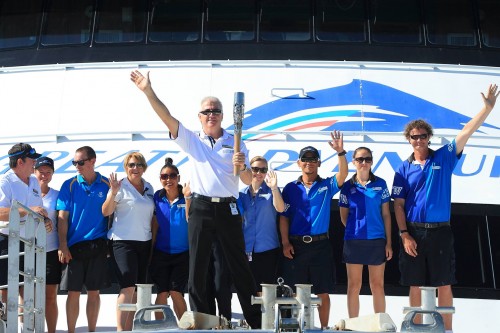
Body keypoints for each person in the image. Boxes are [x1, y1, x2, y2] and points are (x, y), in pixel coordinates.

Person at [131, 70, 262, 328]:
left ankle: (257, 322)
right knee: (197, 270)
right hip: (201, 207)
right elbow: (167, 118)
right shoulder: (193, 140)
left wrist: (243, 165)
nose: (211, 115)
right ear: (200, 117)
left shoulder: (236, 142)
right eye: (206, 111)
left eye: (215, 111)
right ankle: (205, 321)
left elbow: (247, 180)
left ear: (223, 115)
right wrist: (148, 91)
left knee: (239, 268)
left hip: (229, 209)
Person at [391, 84, 499, 332]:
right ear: (408, 140)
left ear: (429, 137)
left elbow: (467, 132)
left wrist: (487, 109)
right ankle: (415, 327)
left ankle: (447, 330)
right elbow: (398, 205)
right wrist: (404, 234)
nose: (418, 140)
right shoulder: (402, 170)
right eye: (414, 137)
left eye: (422, 136)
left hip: (440, 232)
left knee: (444, 283)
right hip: (413, 233)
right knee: (414, 283)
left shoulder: (444, 157)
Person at [279, 133, 348, 329]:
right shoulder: (290, 188)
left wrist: (340, 152)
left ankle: (324, 328)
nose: (309, 162)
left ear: (318, 163)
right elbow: (284, 217)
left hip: (320, 245)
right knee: (291, 291)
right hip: (295, 246)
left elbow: (342, 175)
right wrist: (285, 242)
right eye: (305, 159)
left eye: (313, 159)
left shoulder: (326, 185)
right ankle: (292, 326)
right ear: (299, 163)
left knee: (323, 291)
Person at [57, 146, 111, 333]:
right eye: (74, 162)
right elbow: (62, 217)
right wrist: (63, 245)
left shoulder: (106, 184)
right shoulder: (69, 185)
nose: (76, 166)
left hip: (98, 244)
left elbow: (114, 214)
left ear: (92, 161)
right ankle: (71, 331)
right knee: (73, 293)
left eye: (80, 162)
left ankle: (92, 331)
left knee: (94, 293)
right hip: (73, 246)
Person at [102, 152, 155, 331]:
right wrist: (113, 193)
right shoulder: (120, 186)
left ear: (144, 168)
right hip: (122, 242)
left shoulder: (149, 187)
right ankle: (120, 329)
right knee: (127, 287)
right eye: (131, 165)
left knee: (138, 291)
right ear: (126, 168)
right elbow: (106, 211)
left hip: (144, 243)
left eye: (139, 165)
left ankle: (130, 328)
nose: (135, 168)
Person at [0, 143, 52, 323]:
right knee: (5, 287)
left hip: (30, 242)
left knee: (29, 286)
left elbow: (38, 209)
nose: (35, 163)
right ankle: (4, 323)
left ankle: (27, 325)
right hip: (6, 240)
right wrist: (28, 210)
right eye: (32, 159)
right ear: (20, 161)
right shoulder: (5, 181)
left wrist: (45, 220)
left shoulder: (34, 181)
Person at [338, 147, 392, 318]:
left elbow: (386, 214)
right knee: (354, 285)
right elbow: (344, 218)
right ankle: (353, 325)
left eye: (367, 159)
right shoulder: (347, 187)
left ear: (372, 161)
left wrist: (388, 242)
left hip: (377, 241)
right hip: (354, 241)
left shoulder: (381, 184)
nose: (363, 163)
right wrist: (357, 230)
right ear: (353, 161)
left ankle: (380, 323)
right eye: (360, 159)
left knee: (377, 285)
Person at [238, 156, 285, 293]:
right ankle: (253, 316)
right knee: (249, 290)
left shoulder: (272, 191)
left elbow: (280, 209)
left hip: (268, 249)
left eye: (263, 170)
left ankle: (266, 315)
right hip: (247, 249)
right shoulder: (241, 194)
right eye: (255, 169)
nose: (259, 173)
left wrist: (275, 188)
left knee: (267, 292)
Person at [149, 158, 189, 321]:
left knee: (175, 291)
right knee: (162, 292)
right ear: (160, 179)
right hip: (161, 253)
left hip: (183, 254)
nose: (168, 180)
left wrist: (188, 199)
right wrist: (150, 252)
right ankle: (161, 327)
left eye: (172, 176)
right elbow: (154, 225)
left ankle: (186, 328)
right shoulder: (157, 198)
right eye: (164, 176)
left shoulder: (187, 197)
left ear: (178, 178)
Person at [34, 157, 61, 333]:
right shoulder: (25, 194)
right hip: (28, 250)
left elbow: (63, 221)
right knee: (27, 296)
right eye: (41, 172)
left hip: (51, 250)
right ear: (34, 172)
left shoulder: (57, 195)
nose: (44, 175)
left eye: (48, 172)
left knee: (50, 296)